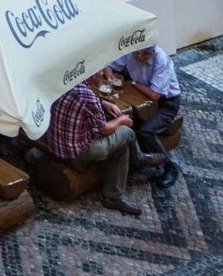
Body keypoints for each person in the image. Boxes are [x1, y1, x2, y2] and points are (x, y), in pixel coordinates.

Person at [41, 80, 161, 215]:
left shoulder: (67, 82)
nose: (102, 73)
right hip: (76, 150)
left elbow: (84, 100)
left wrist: (103, 102)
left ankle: (114, 197)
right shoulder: (88, 96)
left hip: (55, 141)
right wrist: (121, 120)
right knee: (127, 133)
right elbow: (104, 129)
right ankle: (139, 159)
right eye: (100, 72)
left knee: (121, 148)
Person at [100, 45, 182, 187]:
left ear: (150, 54)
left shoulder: (161, 60)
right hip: (140, 96)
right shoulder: (132, 50)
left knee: (145, 131)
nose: (136, 57)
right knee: (129, 121)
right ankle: (134, 160)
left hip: (165, 103)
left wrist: (133, 83)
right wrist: (110, 79)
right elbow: (108, 66)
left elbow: (155, 95)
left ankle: (169, 166)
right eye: (135, 54)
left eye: (140, 55)